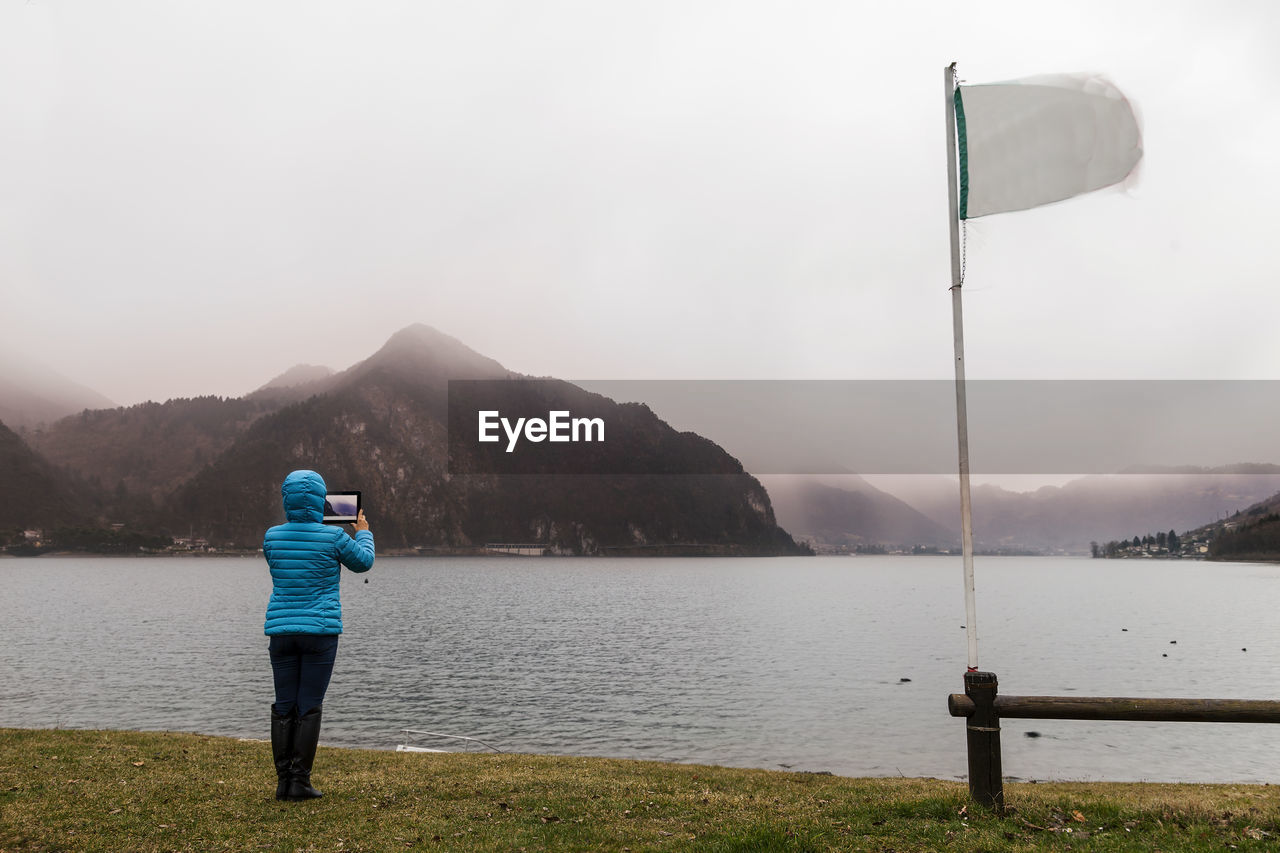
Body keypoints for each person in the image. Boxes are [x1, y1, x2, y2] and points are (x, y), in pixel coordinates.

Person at [263, 469, 374, 801]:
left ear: (287, 499)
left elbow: (283, 562)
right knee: (308, 704)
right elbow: (364, 563)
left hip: (281, 632)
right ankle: (300, 781)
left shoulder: (271, 536)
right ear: (321, 501)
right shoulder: (334, 537)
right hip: (320, 632)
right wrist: (363, 531)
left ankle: (284, 783)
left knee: (285, 704)